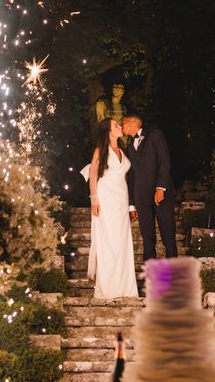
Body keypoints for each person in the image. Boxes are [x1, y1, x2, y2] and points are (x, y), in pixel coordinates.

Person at [85, 117, 139, 299]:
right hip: (106, 198)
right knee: (108, 242)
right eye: (116, 125)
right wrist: (94, 200)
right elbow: (93, 175)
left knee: (122, 242)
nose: (120, 126)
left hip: (121, 200)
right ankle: (107, 287)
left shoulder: (123, 149)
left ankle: (126, 288)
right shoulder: (101, 150)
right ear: (108, 130)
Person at [122, 115, 178, 262]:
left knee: (168, 235)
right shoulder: (129, 147)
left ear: (133, 122)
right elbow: (131, 176)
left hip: (161, 195)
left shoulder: (155, 135)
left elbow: (164, 161)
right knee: (147, 240)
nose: (122, 127)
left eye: (124, 124)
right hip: (141, 198)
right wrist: (132, 203)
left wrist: (161, 188)